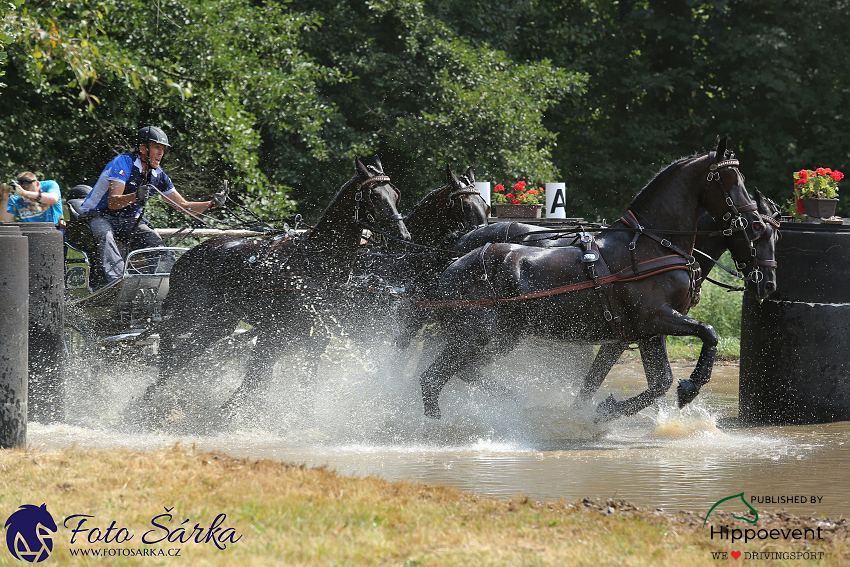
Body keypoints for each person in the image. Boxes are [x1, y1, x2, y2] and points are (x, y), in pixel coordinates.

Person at [78, 126, 225, 285]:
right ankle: (118, 281)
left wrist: (211, 204)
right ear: (142, 148)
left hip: (128, 219)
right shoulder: (123, 163)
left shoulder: (159, 176)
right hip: (98, 216)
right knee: (104, 235)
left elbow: (182, 206)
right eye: (156, 147)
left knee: (152, 238)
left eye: (162, 149)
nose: (161, 153)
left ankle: (167, 281)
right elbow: (113, 203)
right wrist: (136, 196)